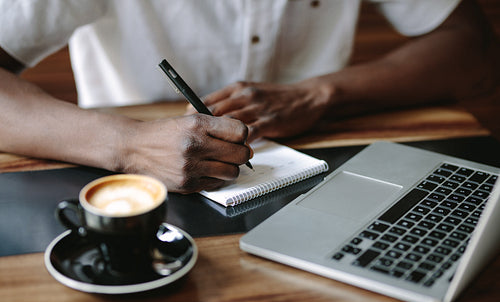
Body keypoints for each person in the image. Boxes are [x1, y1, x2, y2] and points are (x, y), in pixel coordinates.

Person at [0, 0, 497, 193]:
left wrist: (320, 94)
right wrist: (130, 142)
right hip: (127, 183)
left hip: (325, 156)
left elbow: (468, 45)